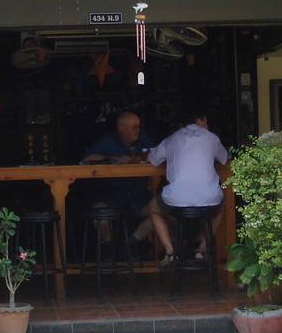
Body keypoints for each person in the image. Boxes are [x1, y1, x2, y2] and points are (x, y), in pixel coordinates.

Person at [146, 109, 229, 267]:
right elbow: (224, 158)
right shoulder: (212, 138)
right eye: (206, 121)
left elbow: (153, 159)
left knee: (153, 208)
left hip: (176, 199)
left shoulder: (172, 138)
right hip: (209, 198)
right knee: (220, 208)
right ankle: (201, 249)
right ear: (199, 121)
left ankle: (171, 253)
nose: (207, 125)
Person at [80, 111, 155, 246]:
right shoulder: (108, 140)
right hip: (110, 194)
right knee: (100, 215)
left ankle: (130, 244)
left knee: (164, 211)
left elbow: (154, 156)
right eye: (134, 127)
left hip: (138, 195)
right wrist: (116, 159)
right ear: (121, 128)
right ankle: (110, 249)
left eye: (138, 126)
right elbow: (87, 158)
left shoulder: (143, 139)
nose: (138, 130)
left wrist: (133, 160)